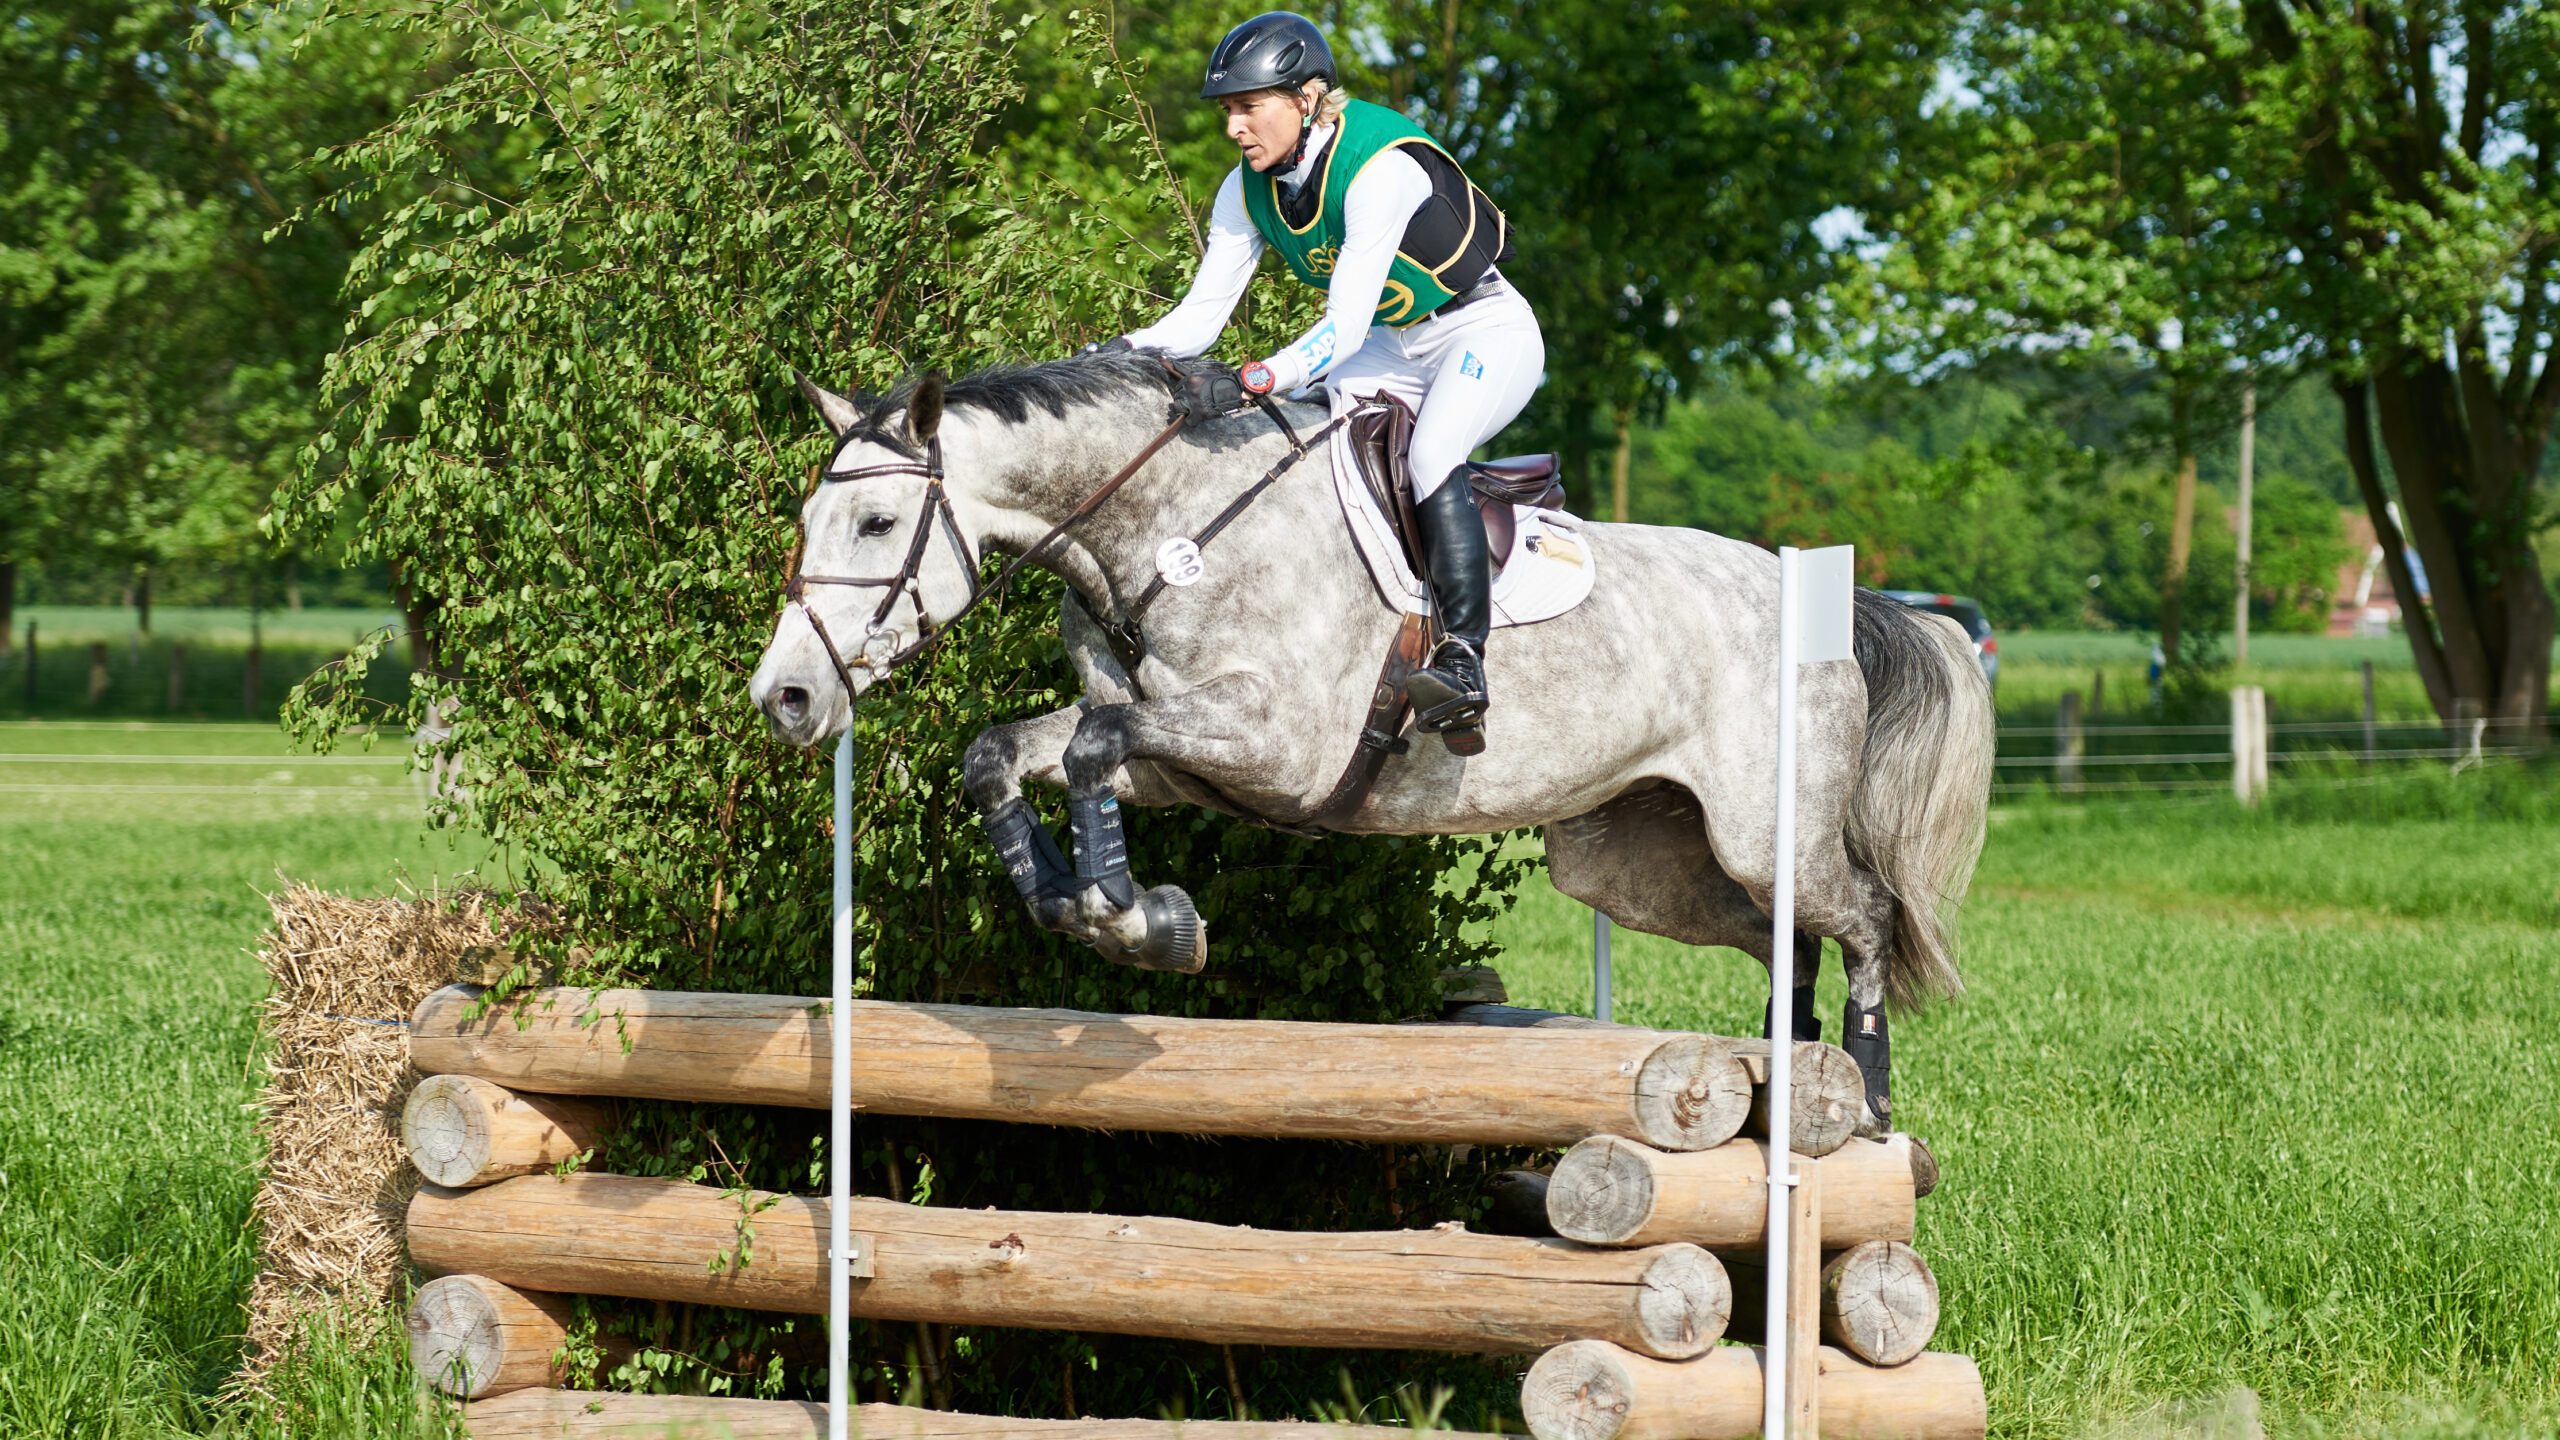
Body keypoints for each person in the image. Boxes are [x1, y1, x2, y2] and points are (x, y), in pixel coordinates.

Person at [1092, 11, 1545, 735]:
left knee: (1431, 453)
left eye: (1249, 107)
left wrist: (1255, 377)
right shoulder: (1246, 191)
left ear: (1306, 99)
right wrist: (1111, 355)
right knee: (1310, 445)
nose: (1233, 129)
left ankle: (1464, 656)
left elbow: (1343, 328)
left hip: (1483, 329)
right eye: (1228, 111)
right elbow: (1198, 319)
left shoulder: (1379, 170)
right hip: (1392, 344)